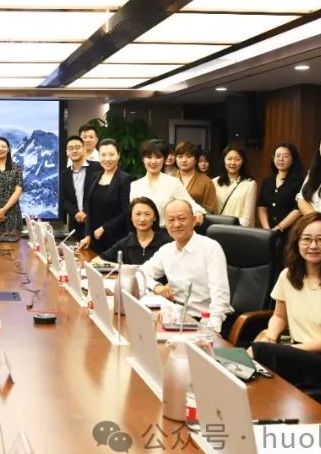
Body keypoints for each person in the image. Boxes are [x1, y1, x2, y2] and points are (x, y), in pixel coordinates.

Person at [247, 213, 321, 388]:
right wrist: (270, 336)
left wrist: (280, 349)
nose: (313, 246)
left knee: (261, 352)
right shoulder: (287, 275)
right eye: (307, 239)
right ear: (297, 242)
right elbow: (279, 316)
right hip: (301, 351)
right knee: (262, 343)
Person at [139, 199, 232, 333]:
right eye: (171, 220)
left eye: (182, 218)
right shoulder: (166, 250)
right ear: (165, 223)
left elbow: (220, 296)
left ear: (194, 220)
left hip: (203, 319)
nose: (176, 224)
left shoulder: (210, 248)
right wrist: (156, 287)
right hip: (176, 317)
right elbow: (140, 273)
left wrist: (212, 329)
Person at [78, 139, 131, 254]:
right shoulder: (95, 176)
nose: (107, 159)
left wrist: (104, 228)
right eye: (103, 155)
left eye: (111, 154)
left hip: (115, 238)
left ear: (118, 155)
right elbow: (88, 208)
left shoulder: (124, 179)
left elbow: (126, 211)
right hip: (94, 239)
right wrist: (87, 235)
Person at [129, 139, 203, 222]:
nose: (153, 161)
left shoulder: (173, 183)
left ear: (164, 159)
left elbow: (190, 203)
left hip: (166, 229)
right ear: (143, 159)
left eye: (158, 157)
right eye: (149, 157)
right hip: (141, 229)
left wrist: (198, 212)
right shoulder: (135, 185)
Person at [90, 197, 170, 266]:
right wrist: (121, 267)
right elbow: (96, 261)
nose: (142, 219)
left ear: (155, 217)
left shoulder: (167, 243)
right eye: (138, 214)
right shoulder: (125, 243)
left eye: (147, 214)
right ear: (131, 217)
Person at [258, 143, 304, 234]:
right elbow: (262, 207)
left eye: (285, 156)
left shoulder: (300, 181)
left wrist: (278, 228)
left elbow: (298, 209)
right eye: (278, 156)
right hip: (268, 231)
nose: (281, 159)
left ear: (293, 159)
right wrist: (267, 230)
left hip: (291, 232)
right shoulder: (267, 181)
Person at [60, 135, 101, 233]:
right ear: (67, 152)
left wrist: (85, 212)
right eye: (71, 148)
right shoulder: (64, 174)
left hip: (96, 223)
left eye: (77, 147)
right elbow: (63, 199)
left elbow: (100, 193)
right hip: (75, 225)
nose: (74, 151)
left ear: (84, 149)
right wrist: (76, 213)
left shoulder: (97, 168)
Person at [213, 144, 259, 227]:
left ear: (243, 161)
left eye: (237, 159)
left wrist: (235, 230)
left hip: (239, 230)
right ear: (224, 160)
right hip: (217, 228)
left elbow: (248, 217)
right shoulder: (214, 182)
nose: (233, 163)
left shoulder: (250, 184)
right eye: (229, 159)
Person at [0, 137, 24, 234]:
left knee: (14, 242)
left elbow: (18, 191)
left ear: (8, 149)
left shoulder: (16, 168)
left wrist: (4, 210)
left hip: (12, 213)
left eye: (3, 146)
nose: (0, 149)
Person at [172, 141, 218, 214]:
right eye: (180, 156)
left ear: (196, 159)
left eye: (189, 156)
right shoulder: (170, 179)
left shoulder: (206, 181)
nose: (184, 160)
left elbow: (211, 209)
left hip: (198, 219)